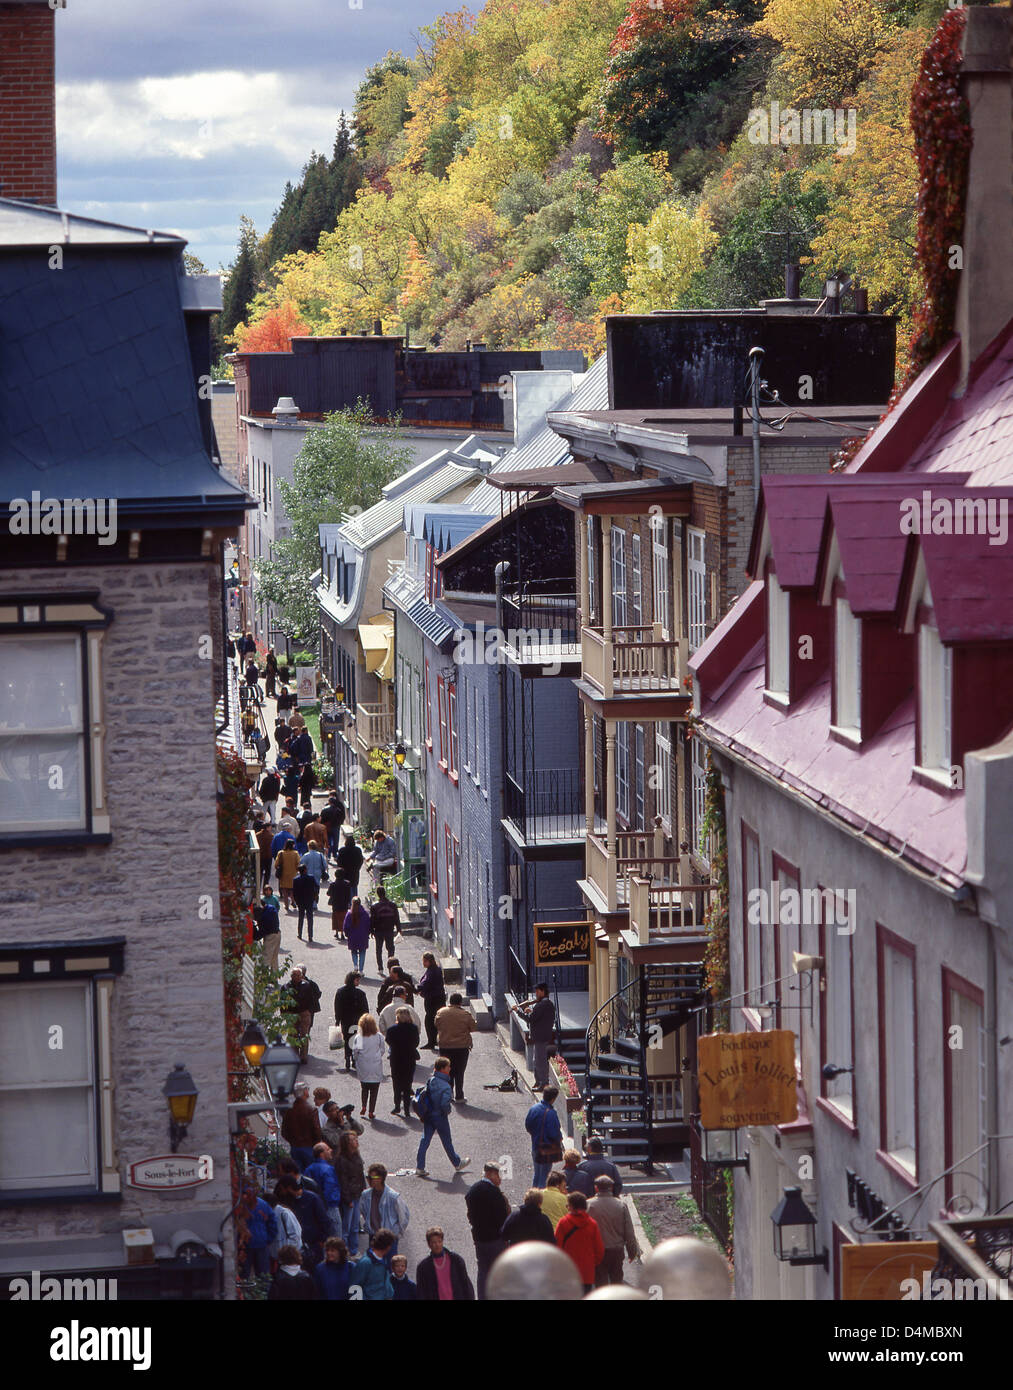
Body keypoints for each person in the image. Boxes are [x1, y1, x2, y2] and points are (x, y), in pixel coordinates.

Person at [415, 1057, 470, 1178]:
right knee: (446, 1141)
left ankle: (420, 1166)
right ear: (443, 1069)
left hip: (429, 1115)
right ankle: (457, 1163)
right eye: (448, 1067)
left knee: (425, 1140)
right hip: (440, 1117)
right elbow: (445, 1104)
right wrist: (447, 1111)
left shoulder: (431, 1080)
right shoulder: (446, 1086)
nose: (450, 1068)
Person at [465, 1160, 511, 1301]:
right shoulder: (495, 1194)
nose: (500, 1179)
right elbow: (502, 1218)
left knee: (483, 1270)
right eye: (499, 1175)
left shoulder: (473, 1191)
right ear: (491, 1174)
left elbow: (470, 1216)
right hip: (496, 1240)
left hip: (479, 1238)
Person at [588, 1175, 639, 1286]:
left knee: (600, 1282)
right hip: (616, 1249)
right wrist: (632, 1251)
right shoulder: (621, 1205)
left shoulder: (588, 1205)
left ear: (596, 1188)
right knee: (616, 1281)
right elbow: (629, 1231)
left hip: (597, 1250)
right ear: (611, 1188)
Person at [555, 1191, 605, 1295]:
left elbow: (557, 1248)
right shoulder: (592, 1224)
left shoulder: (563, 1223)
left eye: (568, 1205)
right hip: (587, 1272)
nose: (567, 1207)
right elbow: (599, 1250)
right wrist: (592, 1263)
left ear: (572, 1206)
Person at [357, 1164, 410, 1261]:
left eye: (371, 1177)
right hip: (374, 1236)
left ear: (380, 1178)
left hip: (389, 1238)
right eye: (368, 1177)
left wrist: (396, 1233)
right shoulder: (365, 1195)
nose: (368, 1180)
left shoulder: (393, 1196)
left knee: (390, 1266)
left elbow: (404, 1216)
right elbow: (364, 1212)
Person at [510, 981, 556, 1089]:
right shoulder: (547, 1004)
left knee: (540, 1061)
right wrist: (530, 1011)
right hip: (541, 1036)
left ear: (543, 992)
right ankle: (539, 1082)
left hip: (540, 1037)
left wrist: (518, 1011)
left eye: (537, 992)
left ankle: (543, 1083)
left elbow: (530, 1019)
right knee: (537, 1060)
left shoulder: (542, 1005)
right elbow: (538, 1018)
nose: (536, 994)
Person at [276, 1176, 329, 1270]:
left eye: (282, 1190)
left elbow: (324, 1221)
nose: (282, 1193)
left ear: (288, 1188)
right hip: (298, 1246)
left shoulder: (313, 1198)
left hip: (313, 1246)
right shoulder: (288, 1202)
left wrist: (321, 1241)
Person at [434, 993, 476, 1103]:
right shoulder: (465, 1014)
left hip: (445, 1045)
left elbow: (436, 1024)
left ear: (450, 1001)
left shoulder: (441, 1012)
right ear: (460, 1002)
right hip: (461, 1047)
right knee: (459, 1071)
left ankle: (449, 1093)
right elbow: (473, 1028)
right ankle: (459, 1095)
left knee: (447, 1070)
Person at [415, 1227, 475, 1302]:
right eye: (434, 1242)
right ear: (429, 1244)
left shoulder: (456, 1260)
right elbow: (421, 1293)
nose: (437, 1245)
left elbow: (466, 1285)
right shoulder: (423, 1267)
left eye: (439, 1241)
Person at [385, 1006, 421, 1119]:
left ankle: (397, 1106)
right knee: (407, 1084)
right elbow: (416, 1043)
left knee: (396, 1083)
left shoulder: (391, 1030)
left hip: (396, 1059)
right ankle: (406, 1109)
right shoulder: (414, 1028)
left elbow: (388, 1041)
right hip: (409, 1058)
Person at [334, 1130, 366, 1256]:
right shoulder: (341, 1160)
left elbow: (360, 1175)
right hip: (349, 1197)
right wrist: (347, 1200)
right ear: (346, 1143)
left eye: (356, 1138)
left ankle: (354, 1249)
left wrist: (363, 1188)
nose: (356, 1141)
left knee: (355, 1225)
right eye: (353, 1139)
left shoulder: (356, 1156)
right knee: (346, 1227)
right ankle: (344, 1250)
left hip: (357, 1194)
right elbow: (342, 1181)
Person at [525, 1085, 564, 1188]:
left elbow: (528, 1125)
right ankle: (540, 1200)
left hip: (535, 1145)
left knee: (537, 1174)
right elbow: (554, 1133)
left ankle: (532, 1198)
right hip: (546, 1149)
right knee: (544, 1176)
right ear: (553, 1098)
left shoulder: (534, 1108)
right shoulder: (551, 1113)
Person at [280, 1079, 322, 1170]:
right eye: (307, 1089)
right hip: (309, 1148)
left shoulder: (289, 1110)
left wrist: (293, 1141)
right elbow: (317, 1130)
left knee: (298, 1175)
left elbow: (284, 1132)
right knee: (310, 1175)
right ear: (305, 1092)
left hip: (295, 1147)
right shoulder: (311, 1110)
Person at [238, 1184, 277, 1278]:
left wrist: (267, 1239)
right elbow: (273, 1223)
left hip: (253, 1245)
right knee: (260, 1275)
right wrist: (267, 1239)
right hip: (255, 1244)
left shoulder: (241, 1205)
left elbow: (272, 1223)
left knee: (248, 1275)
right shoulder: (262, 1204)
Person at [304, 1142, 343, 1236]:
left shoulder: (308, 1169)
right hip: (330, 1208)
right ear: (321, 1154)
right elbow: (329, 1191)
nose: (331, 1151)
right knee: (336, 1238)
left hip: (314, 1208)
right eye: (328, 1149)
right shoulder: (328, 1169)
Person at [285, 966, 322, 1064]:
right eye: (294, 975)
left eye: (298, 975)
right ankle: (293, 1055)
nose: (296, 977)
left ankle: (303, 1056)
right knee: (292, 1034)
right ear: (291, 976)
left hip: (304, 1012)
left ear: (302, 976)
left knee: (304, 1035)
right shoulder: (286, 987)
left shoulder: (307, 986)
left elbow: (311, 999)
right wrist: (284, 1014)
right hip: (291, 1013)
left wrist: (309, 1011)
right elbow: (283, 1001)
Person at [352, 1012, 385, 1119]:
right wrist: (378, 1056)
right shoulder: (379, 1036)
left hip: (363, 1065)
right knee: (374, 1091)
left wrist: (357, 1061)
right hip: (375, 1065)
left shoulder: (359, 1037)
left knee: (364, 1088)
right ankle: (371, 1111)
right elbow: (382, 1050)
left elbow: (355, 1052)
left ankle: (363, 1106)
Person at [334, 971, 367, 1072]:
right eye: (357, 980)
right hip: (357, 1020)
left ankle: (347, 1057)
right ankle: (354, 1059)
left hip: (345, 1020)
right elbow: (365, 1008)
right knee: (356, 1040)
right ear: (353, 980)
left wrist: (337, 1019)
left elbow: (337, 1006)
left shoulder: (340, 991)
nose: (358, 982)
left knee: (347, 1039)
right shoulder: (360, 993)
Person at [348, 1230, 395, 1301]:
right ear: (388, 1247)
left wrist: (389, 1295)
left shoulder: (383, 1260)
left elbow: (386, 1282)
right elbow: (354, 1287)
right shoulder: (365, 1263)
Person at [417, 952, 446, 1051]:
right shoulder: (435, 969)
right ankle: (437, 1041)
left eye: (425, 961)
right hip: (439, 998)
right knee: (437, 1020)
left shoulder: (432, 971)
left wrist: (418, 988)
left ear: (429, 961)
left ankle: (431, 1042)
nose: (423, 963)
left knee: (430, 1020)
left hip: (433, 999)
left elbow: (425, 982)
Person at [369, 883, 400, 973]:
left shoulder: (375, 906)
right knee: (390, 948)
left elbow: (372, 920)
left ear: (378, 894)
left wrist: (371, 930)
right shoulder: (392, 905)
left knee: (378, 949)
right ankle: (391, 966)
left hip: (378, 931)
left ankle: (380, 968)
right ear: (385, 893)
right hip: (389, 930)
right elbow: (396, 918)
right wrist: (399, 930)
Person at [313, 1236, 351, 1301]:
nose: (328, 1253)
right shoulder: (320, 1269)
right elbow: (316, 1292)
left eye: (332, 1250)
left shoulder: (351, 1267)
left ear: (340, 1252)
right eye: (327, 1250)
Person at [252, 892, 281, 972]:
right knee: (274, 958)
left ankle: (263, 977)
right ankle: (274, 977)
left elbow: (262, 931)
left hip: (270, 936)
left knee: (266, 958)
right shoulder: (271, 908)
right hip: (277, 934)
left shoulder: (264, 916)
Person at [342, 897, 371, 974]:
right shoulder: (365, 913)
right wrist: (368, 933)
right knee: (362, 952)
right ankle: (361, 970)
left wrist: (347, 934)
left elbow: (345, 926)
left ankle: (355, 965)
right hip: (363, 936)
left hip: (352, 936)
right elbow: (368, 925)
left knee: (354, 951)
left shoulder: (349, 914)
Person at [292, 863, 319, 943]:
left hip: (301, 901)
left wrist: (296, 901)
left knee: (301, 918)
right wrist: (315, 895)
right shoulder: (311, 878)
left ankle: (300, 934)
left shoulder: (296, 879)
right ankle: (310, 936)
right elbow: (316, 886)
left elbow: (295, 892)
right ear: (305, 870)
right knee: (310, 918)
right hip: (309, 900)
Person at [274, 840, 300, 912]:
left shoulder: (281, 853)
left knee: (284, 890)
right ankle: (293, 901)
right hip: (293, 874)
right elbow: (298, 864)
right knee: (292, 890)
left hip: (283, 874)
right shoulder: (295, 853)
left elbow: (276, 864)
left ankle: (286, 905)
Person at [255, 820, 276, 891]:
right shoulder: (271, 836)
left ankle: (257, 888)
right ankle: (265, 888)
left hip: (259, 856)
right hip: (268, 856)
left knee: (259, 873)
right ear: (267, 827)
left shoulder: (257, 835)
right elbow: (272, 847)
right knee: (267, 873)